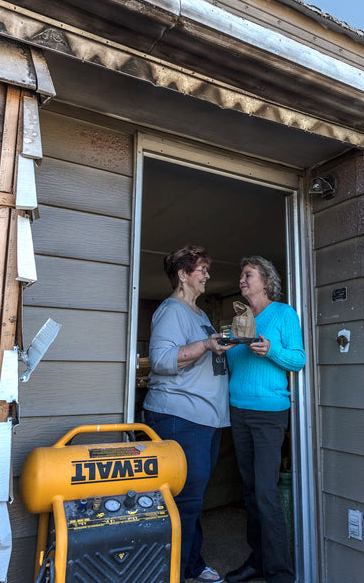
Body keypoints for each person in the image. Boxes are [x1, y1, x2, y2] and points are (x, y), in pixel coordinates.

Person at [143, 244, 232, 583]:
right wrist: (208, 345)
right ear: (183, 274)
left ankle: (192, 564)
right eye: (202, 269)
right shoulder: (171, 310)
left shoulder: (199, 314)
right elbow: (163, 361)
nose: (208, 274)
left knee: (192, 499)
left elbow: (207, 360)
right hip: (181, 417)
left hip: (205, 418)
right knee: (184, 500)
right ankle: (172, 573)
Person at [225, 256, 305, 583]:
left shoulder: (284, 314)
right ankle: (257, 561)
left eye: (248, 275)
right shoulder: (239, 319)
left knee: (266, 493)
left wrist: (271, 349)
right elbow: (234, 362)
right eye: (242, 275)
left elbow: (297, 360)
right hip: (238, 410)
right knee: (250, 491)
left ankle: (279, 573)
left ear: (266, 281)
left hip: (269, 413)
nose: (242, 280)